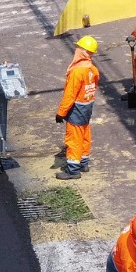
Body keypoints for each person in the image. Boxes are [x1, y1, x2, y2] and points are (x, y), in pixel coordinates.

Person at [54, 35, 100, 180]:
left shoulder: (77, 71)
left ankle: (73, 170)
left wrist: (61, 113)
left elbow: (70, 95)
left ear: (83, 51)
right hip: (87, 107)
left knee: (74, 138)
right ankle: (83, 163)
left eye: (79, 48)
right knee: (85, 135)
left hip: (76, 109)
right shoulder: (93, 69)